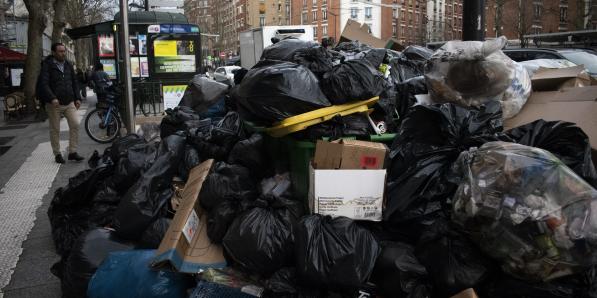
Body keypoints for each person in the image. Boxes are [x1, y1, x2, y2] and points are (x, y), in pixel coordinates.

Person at [38, 42, 84, 164]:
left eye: (64, 51)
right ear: (53, 52)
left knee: (75, 124)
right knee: (55, 129)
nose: (63, 53)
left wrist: (78, 98)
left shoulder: (68, 64)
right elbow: (44, 83)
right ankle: (57, 153)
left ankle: (72, 152)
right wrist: (52, 98)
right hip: (54, 104)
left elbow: (74, 82)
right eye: (60, 51)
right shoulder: (47, 65)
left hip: (69, 102)